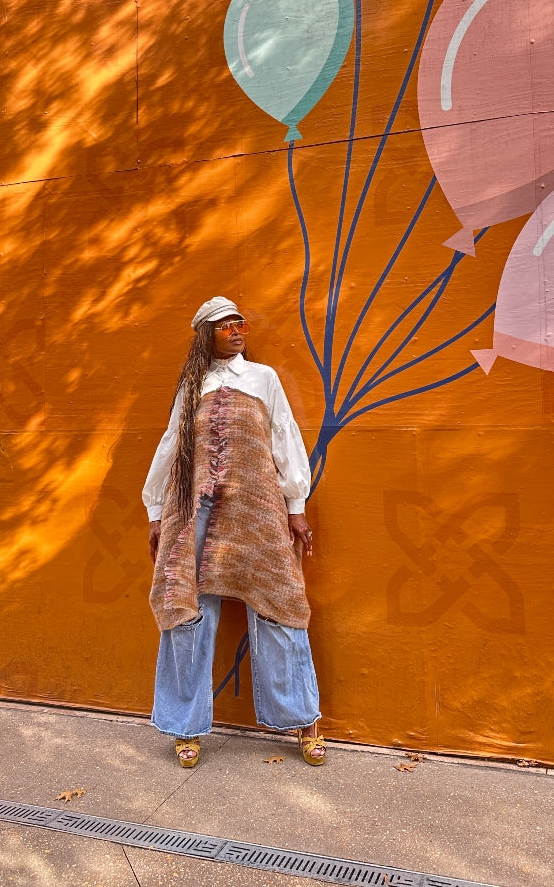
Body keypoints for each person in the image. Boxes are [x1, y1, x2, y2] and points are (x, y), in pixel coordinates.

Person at [143, 296, 325, 768]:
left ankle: (305, 720)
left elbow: (283, 436)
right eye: (226, 326)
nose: (238, 330)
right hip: (193, 511)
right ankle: (185, 726)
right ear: (206, 334)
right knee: (189, 609)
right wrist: (156, 508)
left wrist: (296, 505)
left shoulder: (263, 379)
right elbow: (172, 443)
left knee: (280, 603)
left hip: (258, 508)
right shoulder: (192, 384)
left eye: (240, 322)